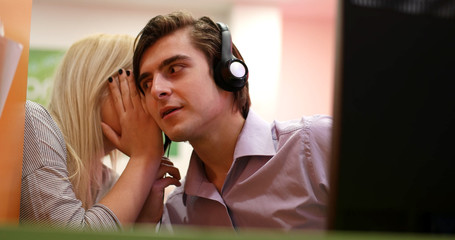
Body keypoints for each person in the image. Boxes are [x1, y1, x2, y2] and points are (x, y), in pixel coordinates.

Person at [125, 11, 332, 231]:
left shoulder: (317, 144)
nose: (156, 90)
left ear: (228, 72)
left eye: (174, 69)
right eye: (146, 84)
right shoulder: (176, 211)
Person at [20, 33, 180, 230]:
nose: (152, 100)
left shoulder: (108, 181)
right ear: (98, 87)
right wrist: (144, 156)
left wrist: (143, 222)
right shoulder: (34, 121)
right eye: (141, 86)